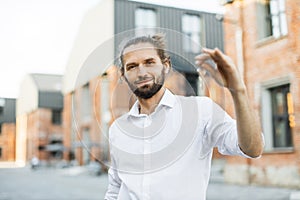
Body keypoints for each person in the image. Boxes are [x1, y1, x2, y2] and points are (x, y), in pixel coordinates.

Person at [104, 33, 264, 200]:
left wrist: (238, 91)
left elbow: (252, 148)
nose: (141, 72)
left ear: (166, 65)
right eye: (132, 66)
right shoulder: (118, 129)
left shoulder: (200, 110)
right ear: (122, 75)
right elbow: (115, 187)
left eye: (149, 62)